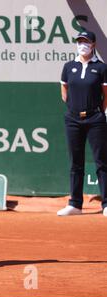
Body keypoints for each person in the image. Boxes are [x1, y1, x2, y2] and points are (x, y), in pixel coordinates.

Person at [58, 30, 107, 216]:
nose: (82, 45)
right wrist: (74, 107)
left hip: (95, 119)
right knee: (75, 163)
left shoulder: (101, 68)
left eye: (86, 41)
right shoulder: (69, 66)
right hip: (73, 119)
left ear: (93, 45)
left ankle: (106, 204)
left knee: (102, 161)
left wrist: (97, 111)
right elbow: (64, 89)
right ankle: (75, 204)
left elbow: (106, 97)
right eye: (79, 41)